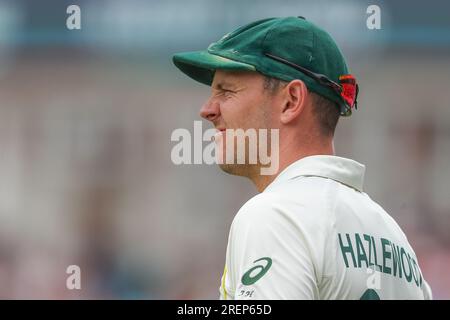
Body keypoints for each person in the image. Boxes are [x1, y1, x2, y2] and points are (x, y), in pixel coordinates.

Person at [172, 16, 432, 299]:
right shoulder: (394, 238)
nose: (207, 110)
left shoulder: (275, 215)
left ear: (291, 100)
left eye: (226, 91)